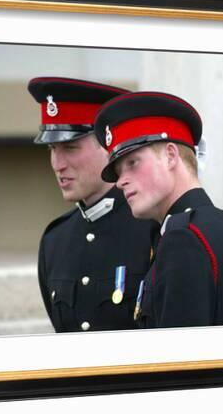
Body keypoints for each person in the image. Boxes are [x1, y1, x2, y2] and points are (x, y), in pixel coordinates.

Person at [94, 91, 223, 328]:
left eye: (132, 163)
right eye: (119, 172)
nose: (120, 182)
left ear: (171, 156)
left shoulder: (183, 239)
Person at [28, 77, 159, 333]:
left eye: (70, 147)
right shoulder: (55, 241)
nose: (58, 164)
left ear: (109, 146)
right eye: (52, 149)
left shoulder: (153, 227)